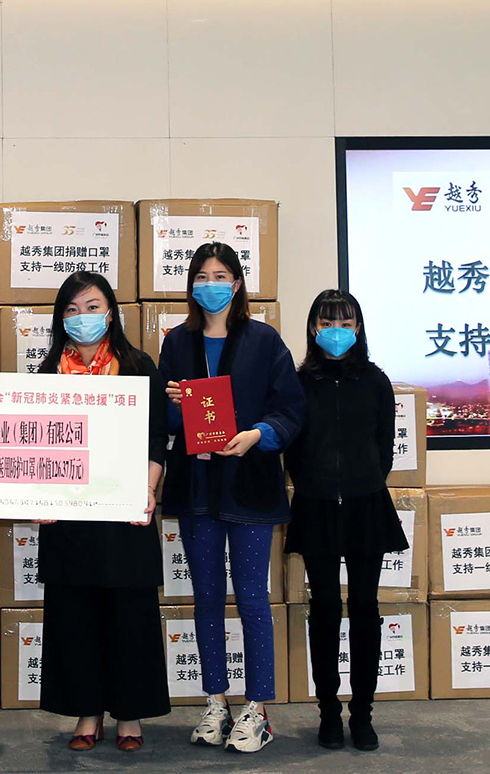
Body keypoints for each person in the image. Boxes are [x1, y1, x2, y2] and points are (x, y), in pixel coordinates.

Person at [158, 243, 304, 754]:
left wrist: (258, 434)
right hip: (198, 487)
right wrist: (174, 404)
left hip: (250, 486)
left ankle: (258, 709)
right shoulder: (177, 342)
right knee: (206, 598)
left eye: (221, 276)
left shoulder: (264, 340)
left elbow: (290, 409)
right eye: (202, 276)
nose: (211, 285)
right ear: (191, 286)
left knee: (252, 598)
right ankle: (216, 701)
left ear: (237, 284)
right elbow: (166, 421)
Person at [34, 272, 170, 752]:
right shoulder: (48, 372)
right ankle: (86, 711)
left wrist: (148, 489)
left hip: (123, 509)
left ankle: (129, 714)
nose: (82, 317)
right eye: (71, 310)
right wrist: (35, 496)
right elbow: (35, 445)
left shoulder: (136, 366)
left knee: (129, 614)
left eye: (92, 307)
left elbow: (157, 436)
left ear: (110, 313)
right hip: (68, 515)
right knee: (75, 615)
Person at [284, 289, 407, 752]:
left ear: (358, 328)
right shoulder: (299, 382)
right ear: (313, 328)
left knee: (365, 610)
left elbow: (385, 447)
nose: (336, 331)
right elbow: (292, 446)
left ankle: (363, 714)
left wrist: (360, 481)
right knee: (325, 611)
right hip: (316, 505)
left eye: (346, 322)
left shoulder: (376, 381)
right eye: (327, 322)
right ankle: (329, 713)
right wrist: (314, 484)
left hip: (365, 504)